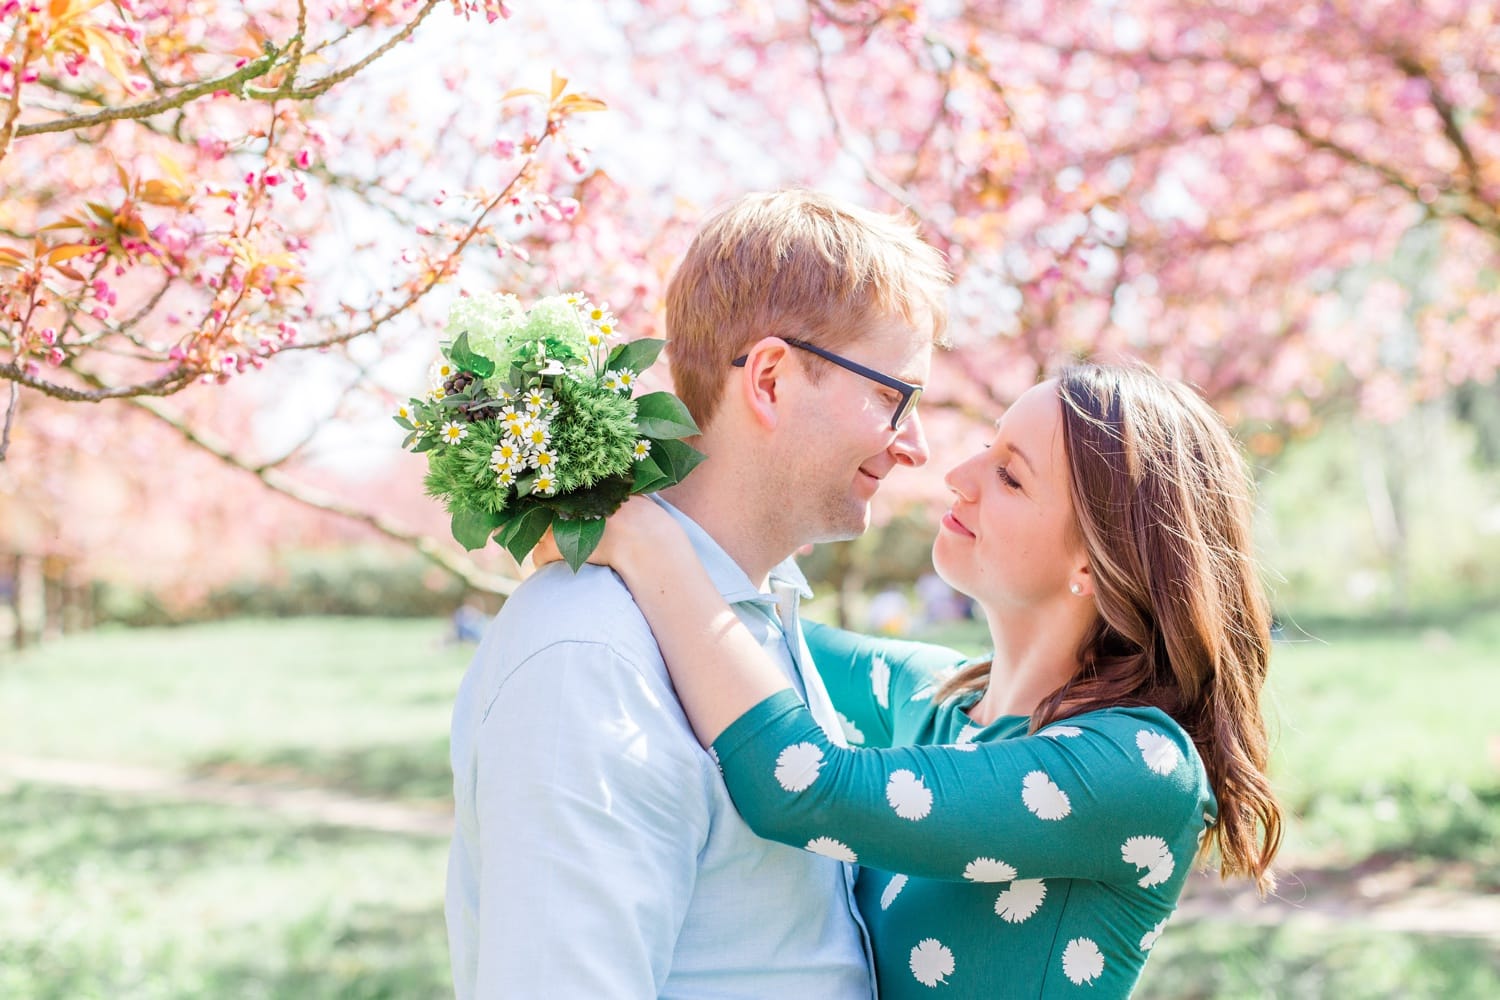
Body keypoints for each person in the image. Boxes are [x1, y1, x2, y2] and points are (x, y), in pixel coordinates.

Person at [539, 363, 1284, 997]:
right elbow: (747, 624)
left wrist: (647, 543)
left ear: (1095, 560)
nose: (956, 478)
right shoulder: (941, 703)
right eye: (986, 450)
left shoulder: (1139, 770)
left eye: (1010, 477)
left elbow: (800, 785)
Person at [443, 189, 952, 998]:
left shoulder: (755, 616)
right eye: (897, 396)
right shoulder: (591, 651)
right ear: (774, 380)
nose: (916, 446)